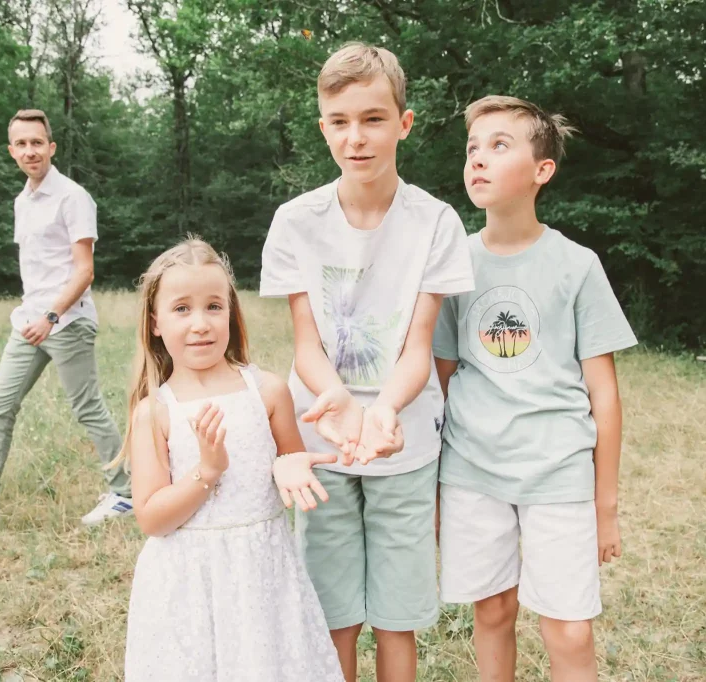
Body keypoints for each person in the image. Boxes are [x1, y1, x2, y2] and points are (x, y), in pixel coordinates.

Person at [259, 42, 474, 682]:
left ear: (403, 124)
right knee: (333, 611)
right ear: (323, 127)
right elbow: (306, 345)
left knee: (396, 615)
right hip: (321, 437)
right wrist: (340, 402)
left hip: (402, 437)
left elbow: (418, 346)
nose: (356, 137)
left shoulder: (436, 222)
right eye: (341, 121)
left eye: (374, 119)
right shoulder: (294, 221)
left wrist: (382, 409)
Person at [434, 95, 639, 682]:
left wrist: (606, 506)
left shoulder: (577, 264)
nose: (478, 159)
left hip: (558, 471)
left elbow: (604, 394)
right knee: (493, 611)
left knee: (569, 628)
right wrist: (435, 489)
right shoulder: (452, 265)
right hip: (473, 469)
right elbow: (440, 381)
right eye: (472, 148)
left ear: (542, 170)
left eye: (499, 145)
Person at [118, 238, 344, 681]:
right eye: (182, 309)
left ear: (231, 313)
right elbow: (152, 518)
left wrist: (290, 465)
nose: (200, 324)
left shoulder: (267, 392)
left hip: (262, 575)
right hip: (189, 584)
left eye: (213, 306)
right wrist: (208, 471)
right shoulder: (155, 412)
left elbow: (289, 458)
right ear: (155, 322)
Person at [0, 109, 131, 532]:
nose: (29, 151)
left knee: (87, 407)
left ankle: (126, 494)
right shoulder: (22, 201)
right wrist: (36, 318)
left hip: (67, 322)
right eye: (21, 144)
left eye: (37, 142)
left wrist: (52, 316)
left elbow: (84, 271)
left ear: (51, 147)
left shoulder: (73, 197)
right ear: (11, 151)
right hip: (29, 324)